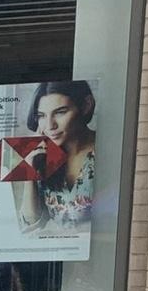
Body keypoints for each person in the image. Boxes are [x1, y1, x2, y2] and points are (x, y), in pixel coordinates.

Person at [16, 80, 96, 233]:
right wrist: (30, 175)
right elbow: (31, 224)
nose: (50, 125)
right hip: (60, 252)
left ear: (86, 105)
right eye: (41, 116)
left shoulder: (107, 149)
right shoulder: (46, 158)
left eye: (60, 112)